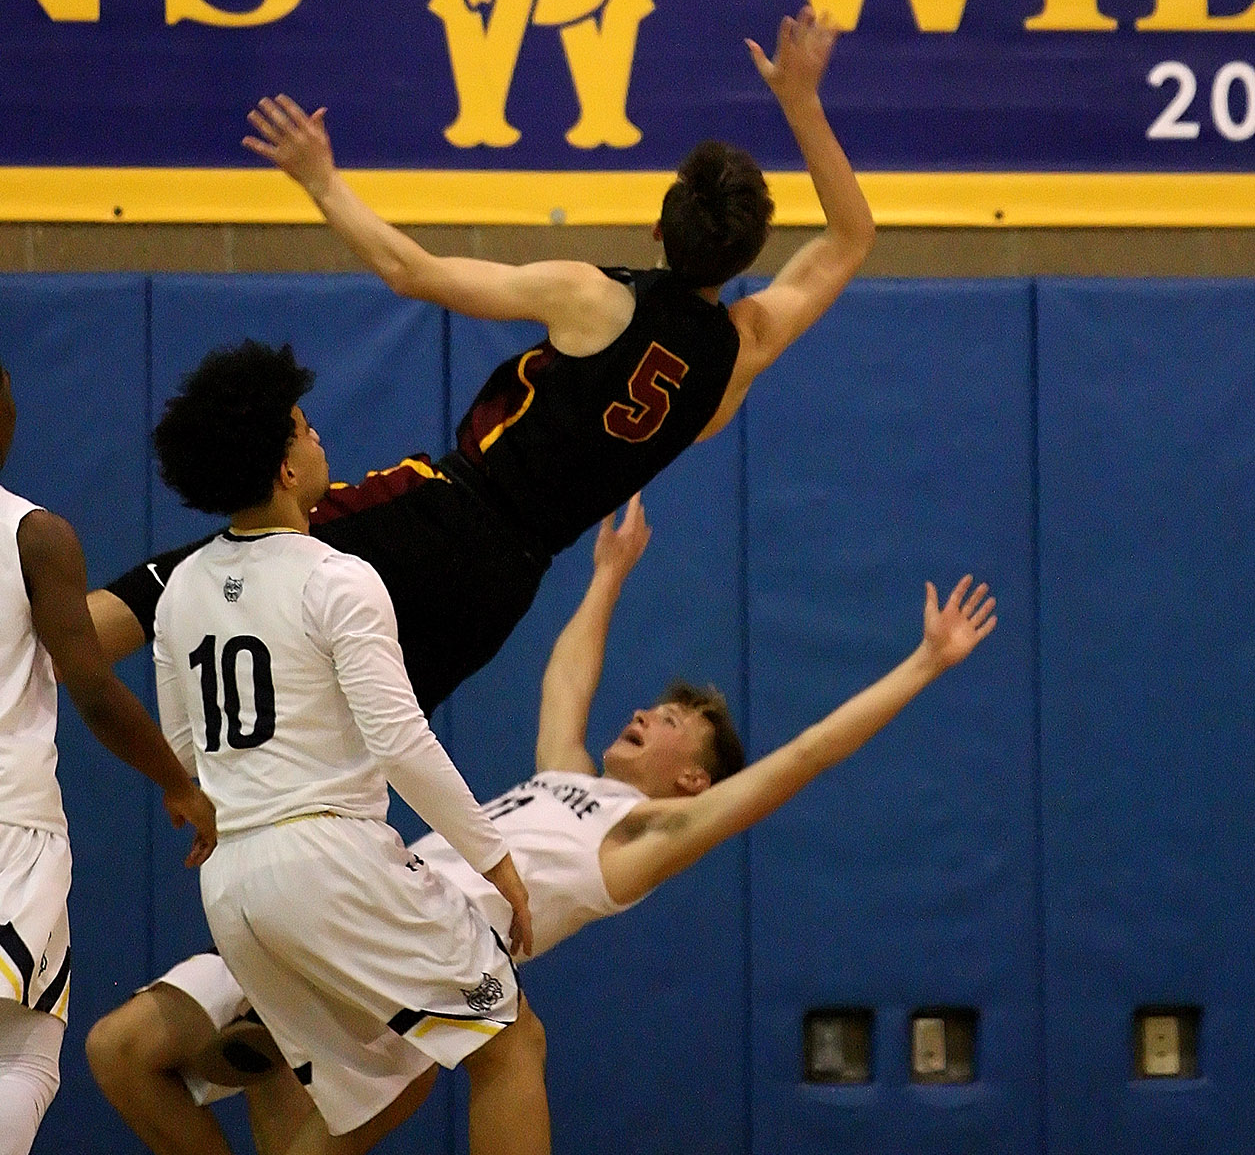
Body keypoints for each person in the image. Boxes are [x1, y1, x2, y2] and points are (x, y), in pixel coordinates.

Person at [87, 495, 995, 1155]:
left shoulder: (640, 839)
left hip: (415, 958)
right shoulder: (569, 783)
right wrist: (605, 578)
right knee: (121, 1053)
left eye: (676, 721)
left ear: (692, 778)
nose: (649, 711)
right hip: (345, 896)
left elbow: (802, 758)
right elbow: (567, 678)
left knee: (489, 1052)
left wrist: (922, 664)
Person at [89, 5, 876, 713]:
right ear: (744, 257)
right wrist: (802, 103)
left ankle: (31, 655)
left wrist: (322, 181)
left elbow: (410, 271)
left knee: (188, 578)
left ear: (658, 232)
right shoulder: (743, 349)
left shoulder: (593, 296)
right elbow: (849, 238)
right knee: (355, 742)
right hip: (503, 587)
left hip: (441, 514)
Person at [141, 339, 550, 1155]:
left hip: (233, 887)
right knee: (509, 1044)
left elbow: (183, 751)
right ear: (285, 470)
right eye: (303, 426)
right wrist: (497, 863)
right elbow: (401, 741)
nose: (317, 436)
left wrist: (219, 811)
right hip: (328, 857)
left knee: (377, 1096)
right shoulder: (337, 575)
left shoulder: (181, 588)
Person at [0, 360, 215, 1155]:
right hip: (7, 831)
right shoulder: (32, 532)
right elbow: (90, 685)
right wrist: (178, 780)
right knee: (23, 1055)